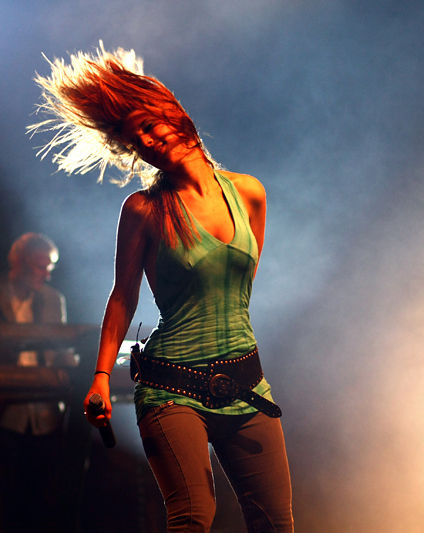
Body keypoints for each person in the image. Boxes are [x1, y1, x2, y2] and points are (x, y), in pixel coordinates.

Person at [30, 43, 293, 532]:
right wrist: (101, 376)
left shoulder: (249, 193)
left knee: (276, 523)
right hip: (171, 387)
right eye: (137, 141)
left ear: (175, 115)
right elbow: (122, 297)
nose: (148, 142)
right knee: (192, 516)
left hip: (245, 382)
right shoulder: (143, 210)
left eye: (150, 126)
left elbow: (241, 285)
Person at [0, 232, 77, 531]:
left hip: (46, 414)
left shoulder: (53, 299)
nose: (46, 274)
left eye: (49, 268)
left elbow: (61, 353)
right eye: (39, 266)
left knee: (43, 499)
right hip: (5, 412)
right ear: (18, 262)